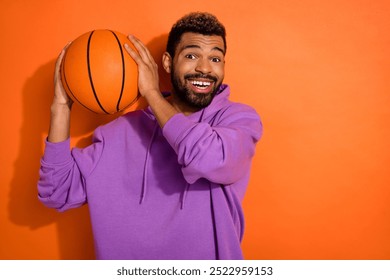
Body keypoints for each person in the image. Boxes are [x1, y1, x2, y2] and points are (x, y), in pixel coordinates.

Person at [38, 12, 263, 260]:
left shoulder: (238, 121)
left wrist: (152, 94)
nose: (204, 68)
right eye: (191, 55)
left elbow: (206, 157)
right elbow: (56, 191)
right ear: (167, 63)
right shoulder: (120, 133)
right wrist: (60, 106)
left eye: (216, 58)